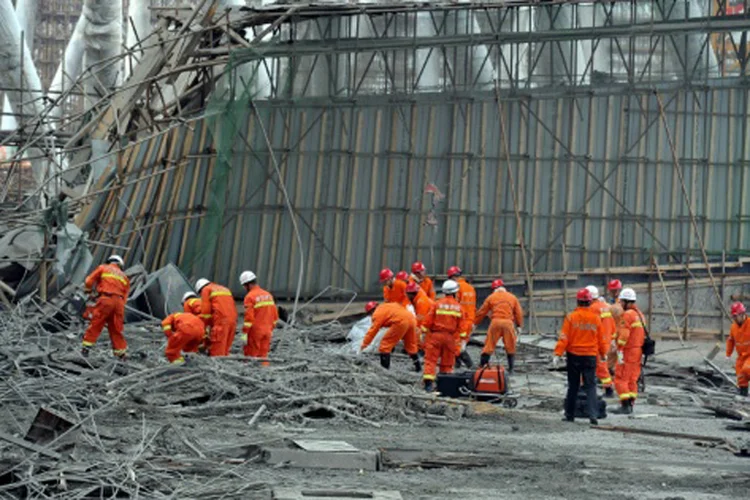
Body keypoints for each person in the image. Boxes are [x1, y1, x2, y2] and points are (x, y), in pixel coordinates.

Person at [553, 288, 608, 424]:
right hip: (590, 357)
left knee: (573, 386)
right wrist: (603, 353)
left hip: (574, 356)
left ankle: (569, 415)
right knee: (590, 386)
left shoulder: (571, 317)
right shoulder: (596, 319)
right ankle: (593, 415)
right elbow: (601, 338)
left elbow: (564, 338)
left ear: (577, 301)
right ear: (590, 302)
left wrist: (557, 354)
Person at [422, 280, 471, 392]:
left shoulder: (436, 304)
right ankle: (444, 385)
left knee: (430, 360)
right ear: (455, 293)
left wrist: (423, 333)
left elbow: (427, 320)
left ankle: (428, 386)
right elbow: (463, 328)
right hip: (450, 338)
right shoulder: (459, 307)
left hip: (435, 336)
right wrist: (463, 341)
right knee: (447, 362)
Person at [81, 255, 130, 359]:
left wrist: (88, 291)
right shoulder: (124, 277)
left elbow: (89, 281)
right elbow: (125, 296)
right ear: (120, 264)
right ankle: (121, 355)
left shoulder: (103, 268)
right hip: (119, 303)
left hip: (106, 299)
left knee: (96, 323)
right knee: (116, 328)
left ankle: (85, 350)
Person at [474, 279, 523, 372]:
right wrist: (519, 325)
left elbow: (482, 311)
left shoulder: (491, 297)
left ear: (494, 288)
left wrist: (475, 323)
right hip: (508, 323)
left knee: (489, 345)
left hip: (495, 322)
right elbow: (519, 313)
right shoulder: (512, 297)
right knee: (510, 346)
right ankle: (511, 368)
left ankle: (482, 366)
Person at [360, 301, 421, 372]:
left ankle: (384, 370)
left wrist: (364, 345)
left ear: (371, 311)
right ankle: (418, 367)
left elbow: (372, 332)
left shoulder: (377, 314)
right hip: (411, 319)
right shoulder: (387, 306)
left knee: (385, 345)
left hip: (400, 322)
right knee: (411, 345)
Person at [613, 288, 645, 414]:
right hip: (638, 351)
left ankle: (624, 405)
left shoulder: (628, 315)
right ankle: (631, 404)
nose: (620, 304)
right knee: (632, 379)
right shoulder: (640, 315)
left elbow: (624, 335)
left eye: (621, 302)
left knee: (620, 378)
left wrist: (619, 350)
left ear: (626, 301)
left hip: (628, 351)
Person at [239, 271, 278, 364]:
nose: (244, 288)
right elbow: (275, 315)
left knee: (251, 356)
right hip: (267, 331)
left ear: (247, 284)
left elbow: (249, 318)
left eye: (244, 286)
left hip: (255, 331)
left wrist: (244, 333)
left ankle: (250, 375)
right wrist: (270, 328)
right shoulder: (268, 295)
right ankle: (264, 375)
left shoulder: (250, 297)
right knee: (263, 356)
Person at [586, 285, 617, 397]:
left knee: (599, 366)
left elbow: (590, 327)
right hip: (606, 341)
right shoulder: (605, 306)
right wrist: (612, 339)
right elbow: (612, 325)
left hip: (597, 342)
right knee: (600, 365)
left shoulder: (592, 309)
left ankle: (608, 389)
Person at [195, 278, 238, 356]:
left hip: (221, 322)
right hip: (233, 322)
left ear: (200, 289)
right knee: (225, 350)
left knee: (217, 352)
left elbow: (206, 313)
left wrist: (205, 327)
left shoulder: (206, 289)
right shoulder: (225, 289)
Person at [447, 266, 476, 369]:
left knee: (458, 346)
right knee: (460, 344)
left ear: (453, 277)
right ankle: (457, 364)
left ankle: (470, 365)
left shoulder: (456, 288)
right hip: (470, 320)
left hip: (461, 321)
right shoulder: (470, 288)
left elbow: (455, 304)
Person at [726, 302, 750, 397]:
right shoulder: (733, 327)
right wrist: (728, 354)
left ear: (742, 314)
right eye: (733, 316)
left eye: (736, 316)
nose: (734, 318)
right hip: (741, 356)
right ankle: (743, 396)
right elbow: (730, 341)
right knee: (740, 376)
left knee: (747, 369)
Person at [406, 281, 434, 352]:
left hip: (432, 321)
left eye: (407, 294)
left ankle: (421, 349)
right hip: (431, 320)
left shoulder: (421, 302)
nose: (406, 296)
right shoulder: (418, 299)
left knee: (418, 330)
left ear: (411, 294)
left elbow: (421, 320)